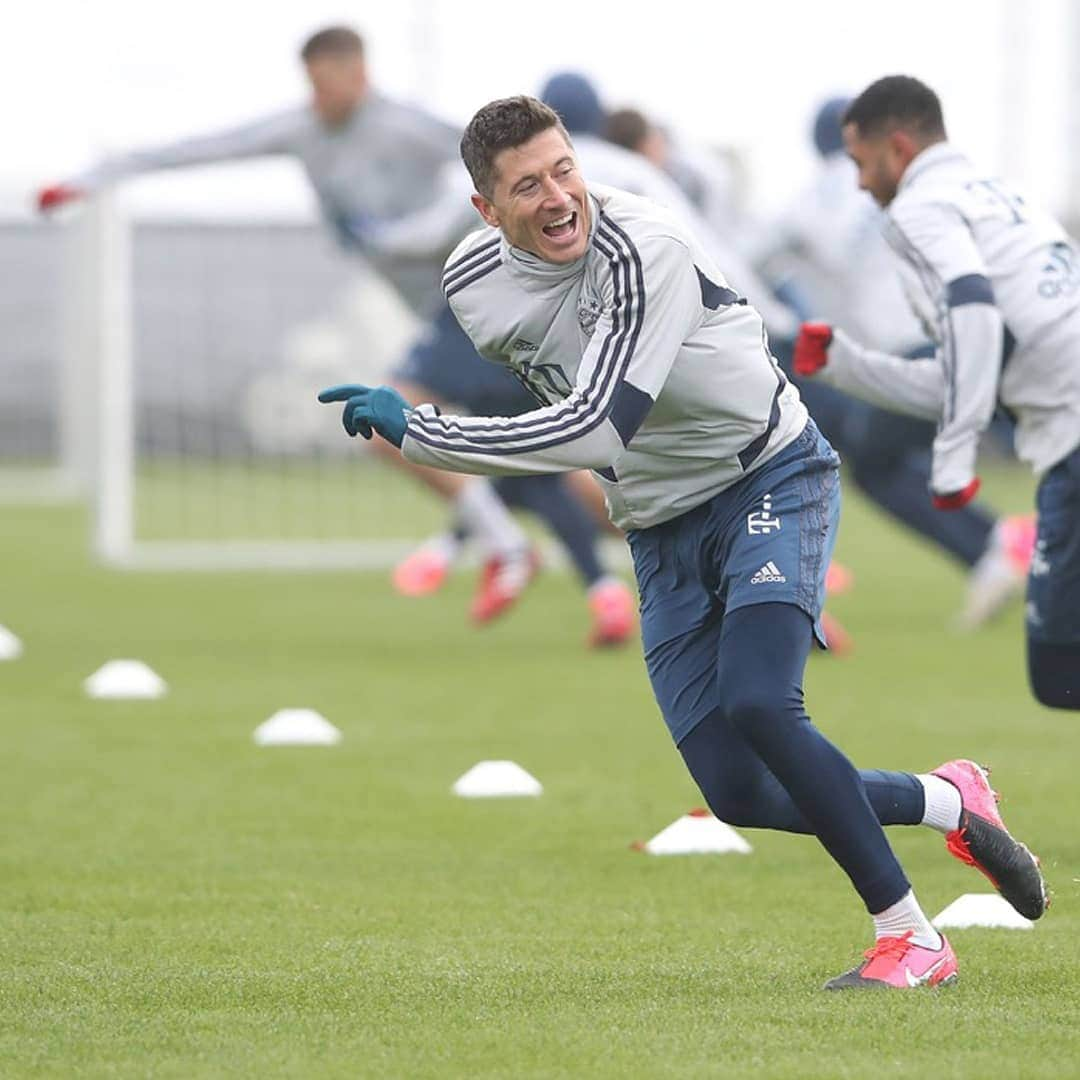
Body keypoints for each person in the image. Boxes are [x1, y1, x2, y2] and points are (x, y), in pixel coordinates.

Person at [318, 95, 1048, 988]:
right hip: (659, 528)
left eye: (564, 171)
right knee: (741, 794)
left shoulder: (645, 247)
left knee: (760, 704)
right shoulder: (473, 282)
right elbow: (550, 409)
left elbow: (592, 432)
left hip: (768, 475)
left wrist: (427, 433)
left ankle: (913, 938)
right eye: (527, 186)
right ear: (485, 210)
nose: (557, 198)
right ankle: (950, 800)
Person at [37, 25, 636, 645]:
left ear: (359, 73)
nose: (320, 96)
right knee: (538, 467)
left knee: (391, 416)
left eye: (331, 81)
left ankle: (502, 546)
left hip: (487, 297)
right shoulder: (302, 132)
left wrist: (405, 236)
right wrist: (93, 177)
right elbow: (207, 147)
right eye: (312, 85)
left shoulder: (405, 127)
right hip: (455, 316)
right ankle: (610, 580)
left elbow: (501, 168)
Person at [614, 98, 1034, 629]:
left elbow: (742, 264)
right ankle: (1005, 546)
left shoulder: (808, 202)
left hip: (920, 352)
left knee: (875, 464)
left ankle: (1001, 544)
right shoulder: (922, 179)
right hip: (1002, 328)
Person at [794, 76, 1080, 710]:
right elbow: (962, 372)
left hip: (1073, 442)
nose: (862, 184)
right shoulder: (993, 191)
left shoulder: (919, 207)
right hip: (1064, 440)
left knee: (1062, 670)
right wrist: (849, 366)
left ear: (897, 149)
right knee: (1059, 672)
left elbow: (973, 305)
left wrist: (954, 454)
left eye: (862, 164)